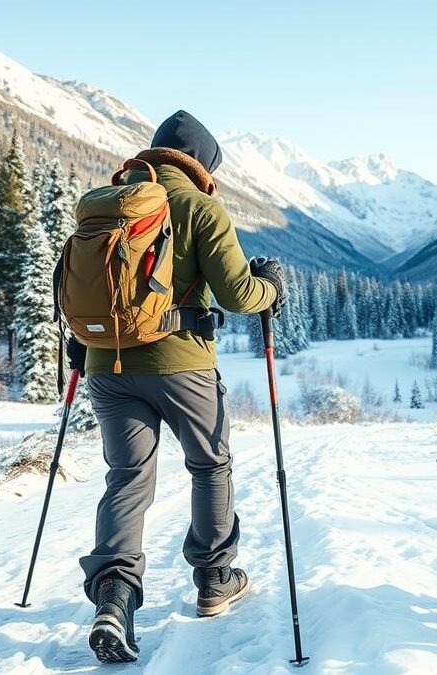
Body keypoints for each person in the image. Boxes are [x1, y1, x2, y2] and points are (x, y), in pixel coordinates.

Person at [67, 110, 286, 663]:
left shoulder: (109, 205)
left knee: (127, 477)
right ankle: (214, 578)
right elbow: (238, 294)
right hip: (181, 365)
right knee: (210, 465)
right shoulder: (199, 207)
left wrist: (84, 342)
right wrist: (271, 288)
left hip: (107, 367)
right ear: (201, 165)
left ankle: (114, 597)